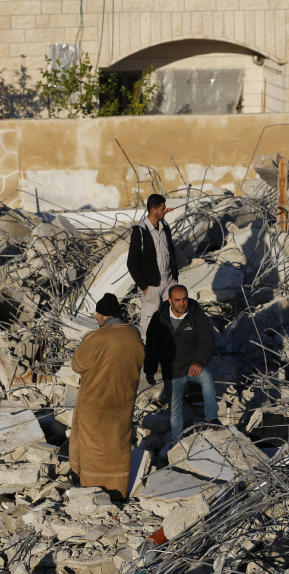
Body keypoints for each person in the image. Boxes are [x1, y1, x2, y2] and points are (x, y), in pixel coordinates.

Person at [69, 293, 145, 500]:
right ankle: (117, 490)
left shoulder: (96, 337)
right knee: (117, 444)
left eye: (98, 314)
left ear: (103, 315)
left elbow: (77, 365)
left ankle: (91, 489)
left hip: (95, 402)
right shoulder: (133, 334)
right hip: (123, 400)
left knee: (92, 447)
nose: (96, 317)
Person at [144, 284, 219, 450]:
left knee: (207, 378)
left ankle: (212, 418)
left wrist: (199, 361)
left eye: (184, 299)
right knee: (175, 407)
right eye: (177, 300)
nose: (182, 303)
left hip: (193, 367)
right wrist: (149, 370)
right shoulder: (159, 318)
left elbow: (207, 342)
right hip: (173, 371)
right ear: (170, 300)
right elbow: (151, 346)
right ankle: (176, 441)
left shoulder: (196, 315)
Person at [127, 193, 179, 340]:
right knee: (150, 321)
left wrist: (175, 278)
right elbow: (131, 263)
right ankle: (149, 353)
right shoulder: (140, 231)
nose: (165, 210)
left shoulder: (165, 226)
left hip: (169, 282)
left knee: (170, 319)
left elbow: (170, 252)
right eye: (162, 209)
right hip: (152, 286)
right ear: (153, 210)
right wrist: (144, 286)